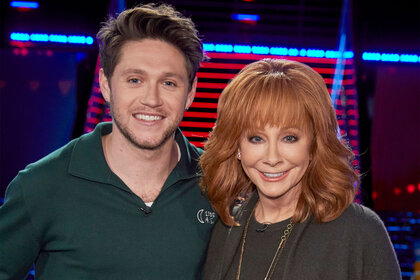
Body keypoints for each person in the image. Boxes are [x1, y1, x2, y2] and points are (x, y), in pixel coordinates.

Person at [0, 3, 216, 279]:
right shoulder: (41, 185)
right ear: (105, 84)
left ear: (190, 93)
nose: (151, 99)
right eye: (135, 80)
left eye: (169, 83)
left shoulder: (218, 184)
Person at [200, 59, 401, 280]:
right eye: (256, 138)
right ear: (237, 146)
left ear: (314, 144)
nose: (272, 158)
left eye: (289, 138)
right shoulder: (223, 229)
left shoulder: (359, 231)